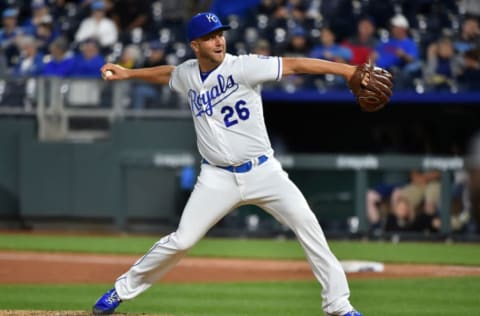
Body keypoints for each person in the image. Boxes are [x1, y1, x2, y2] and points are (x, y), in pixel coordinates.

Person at [93, 12, 370, 316]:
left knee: (308, 226)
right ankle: (119, 291)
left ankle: (339, 305)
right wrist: (128, 74)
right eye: (211, 36)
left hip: (264, 172)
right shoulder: (187, 74)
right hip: (216, 178)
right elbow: (168, 73)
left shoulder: (244, 66)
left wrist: (347, 71)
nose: (219, 40)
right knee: (182, 240)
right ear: (195, 44)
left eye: (220, 34)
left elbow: (296, 64)